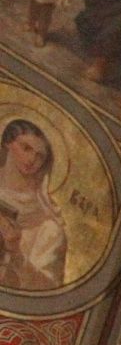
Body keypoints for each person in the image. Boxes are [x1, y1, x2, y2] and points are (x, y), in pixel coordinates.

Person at [0, 117, 67, 291]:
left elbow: (48, 290)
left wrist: (15, 253)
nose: (31, 159)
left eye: (40, 156)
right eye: (26, 148)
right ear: (8, 142)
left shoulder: (47, 227)